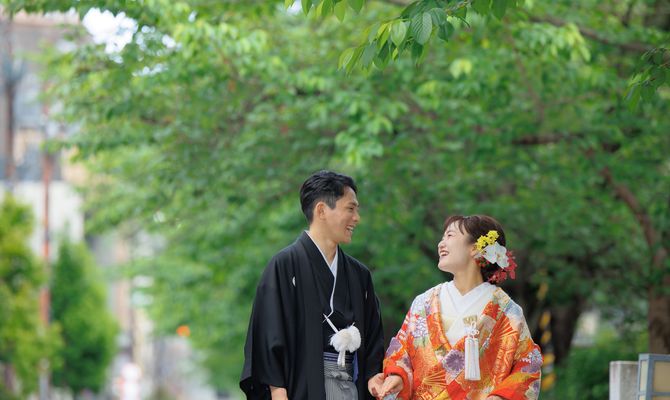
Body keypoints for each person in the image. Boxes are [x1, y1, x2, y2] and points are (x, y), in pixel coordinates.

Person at [240, 170, 385, 400]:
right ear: (321, 210)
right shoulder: (284, 266)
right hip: (300, 389)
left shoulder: (359, 274)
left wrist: (373, 377)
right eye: (350, 208)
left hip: (351, 389)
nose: (356, 217)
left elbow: (374, 340)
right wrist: (278, 392)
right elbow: (268, 335)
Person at [373, 215, 542, 400]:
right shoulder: (424, 303)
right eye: (442, 237)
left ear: (476, 248)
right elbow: (401, 352)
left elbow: (527, 366)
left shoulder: (507, 312)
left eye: (450, 236)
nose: (441, 244)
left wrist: (500, 397)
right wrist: (398, 376)